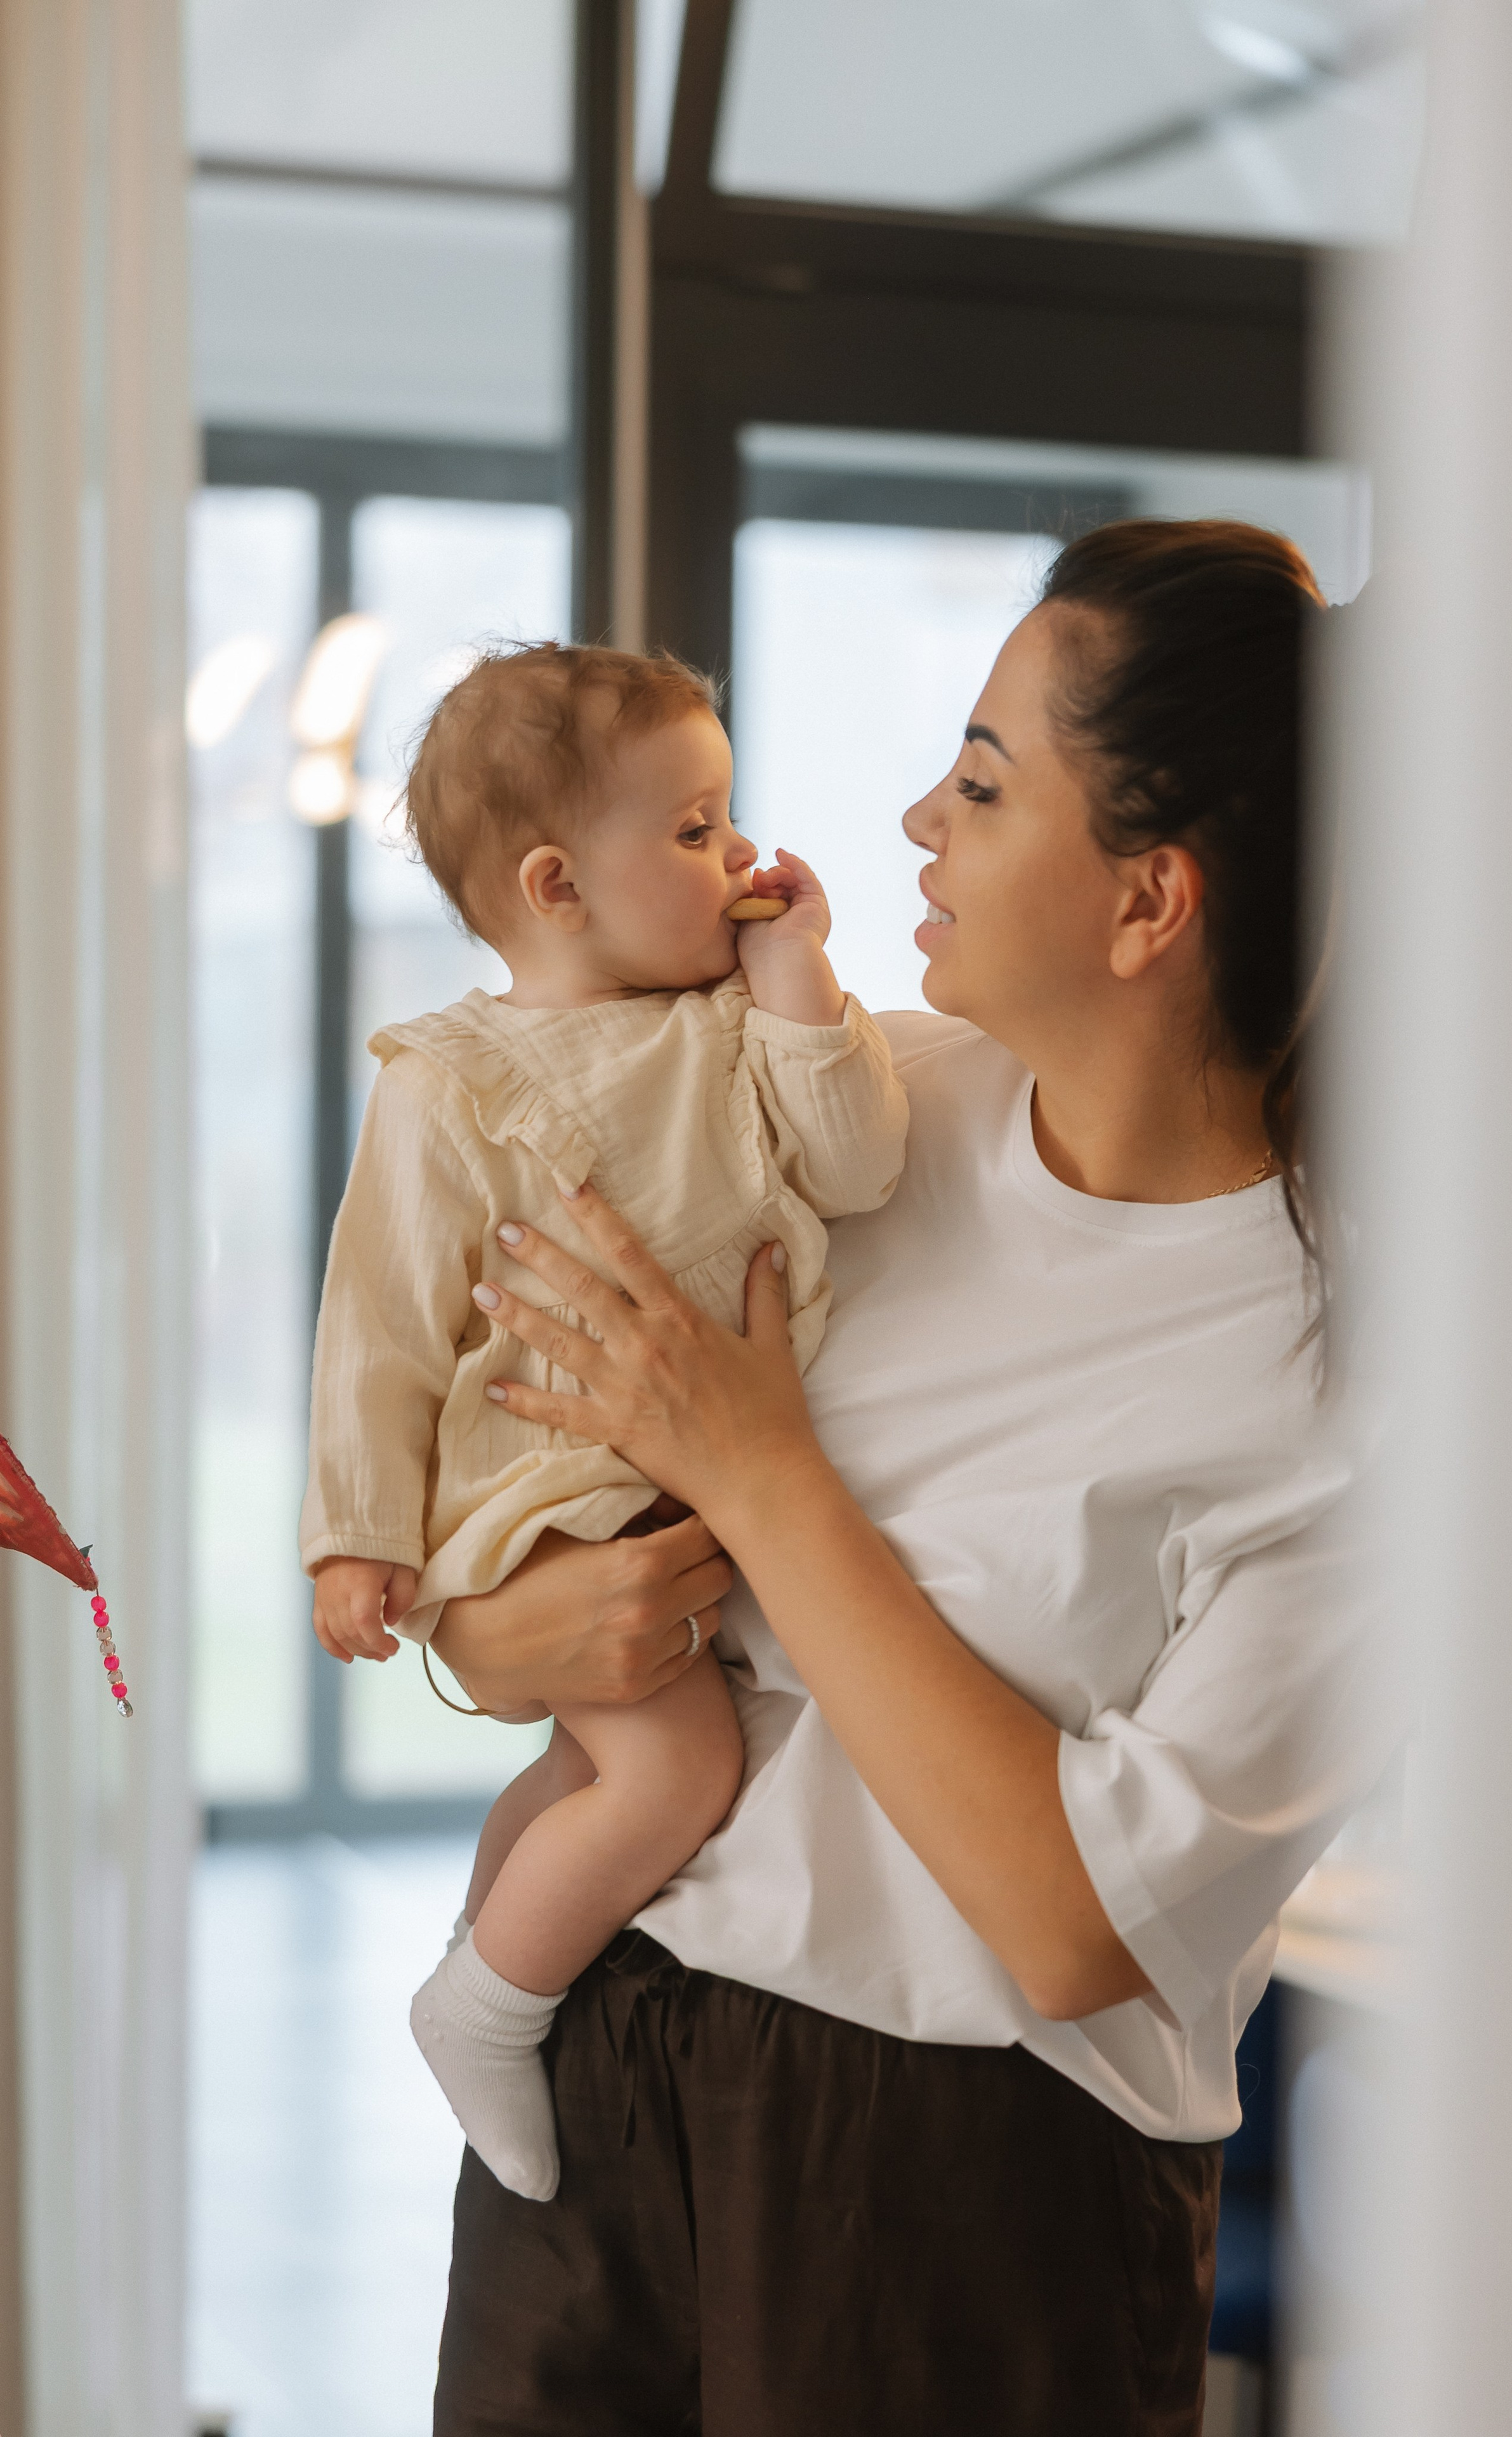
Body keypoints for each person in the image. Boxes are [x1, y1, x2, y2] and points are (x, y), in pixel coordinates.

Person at [426, 522, 1390, 2437]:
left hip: (963, 2196)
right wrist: (488, 1637)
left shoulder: (1357, 1373)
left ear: (1150, 902)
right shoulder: (851, 1107)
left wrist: (765, 1475)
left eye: (983, 783)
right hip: (601, 2069)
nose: (915, 824)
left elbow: (1075, 1921)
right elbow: (565, 1467)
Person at [299, 641, 908, 2202]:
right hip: (546, 1495)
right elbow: (378, 1326)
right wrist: (355, 1538)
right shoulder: (450, 1085)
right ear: (558, 885)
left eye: (726, 817)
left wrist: (800, 979)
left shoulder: (732, 1027)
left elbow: (859, 1166)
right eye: (695, 831)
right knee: (676, 1773)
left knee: (588, 1772)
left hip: (677, 1487)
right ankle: (485, 2009)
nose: (738, 854)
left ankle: (478, 1955)